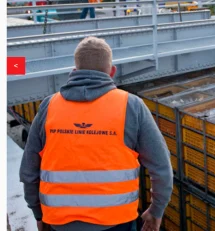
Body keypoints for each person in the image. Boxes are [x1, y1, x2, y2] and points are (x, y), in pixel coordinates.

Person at [19, 36, 174, 231]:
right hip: (117, 223)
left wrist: (38, 214)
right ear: (112, 71)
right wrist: (156, 210)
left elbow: (29, 171)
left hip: (60, 223)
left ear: (74, 72)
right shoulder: (131, 106)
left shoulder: (49, 107)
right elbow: (161, 167)